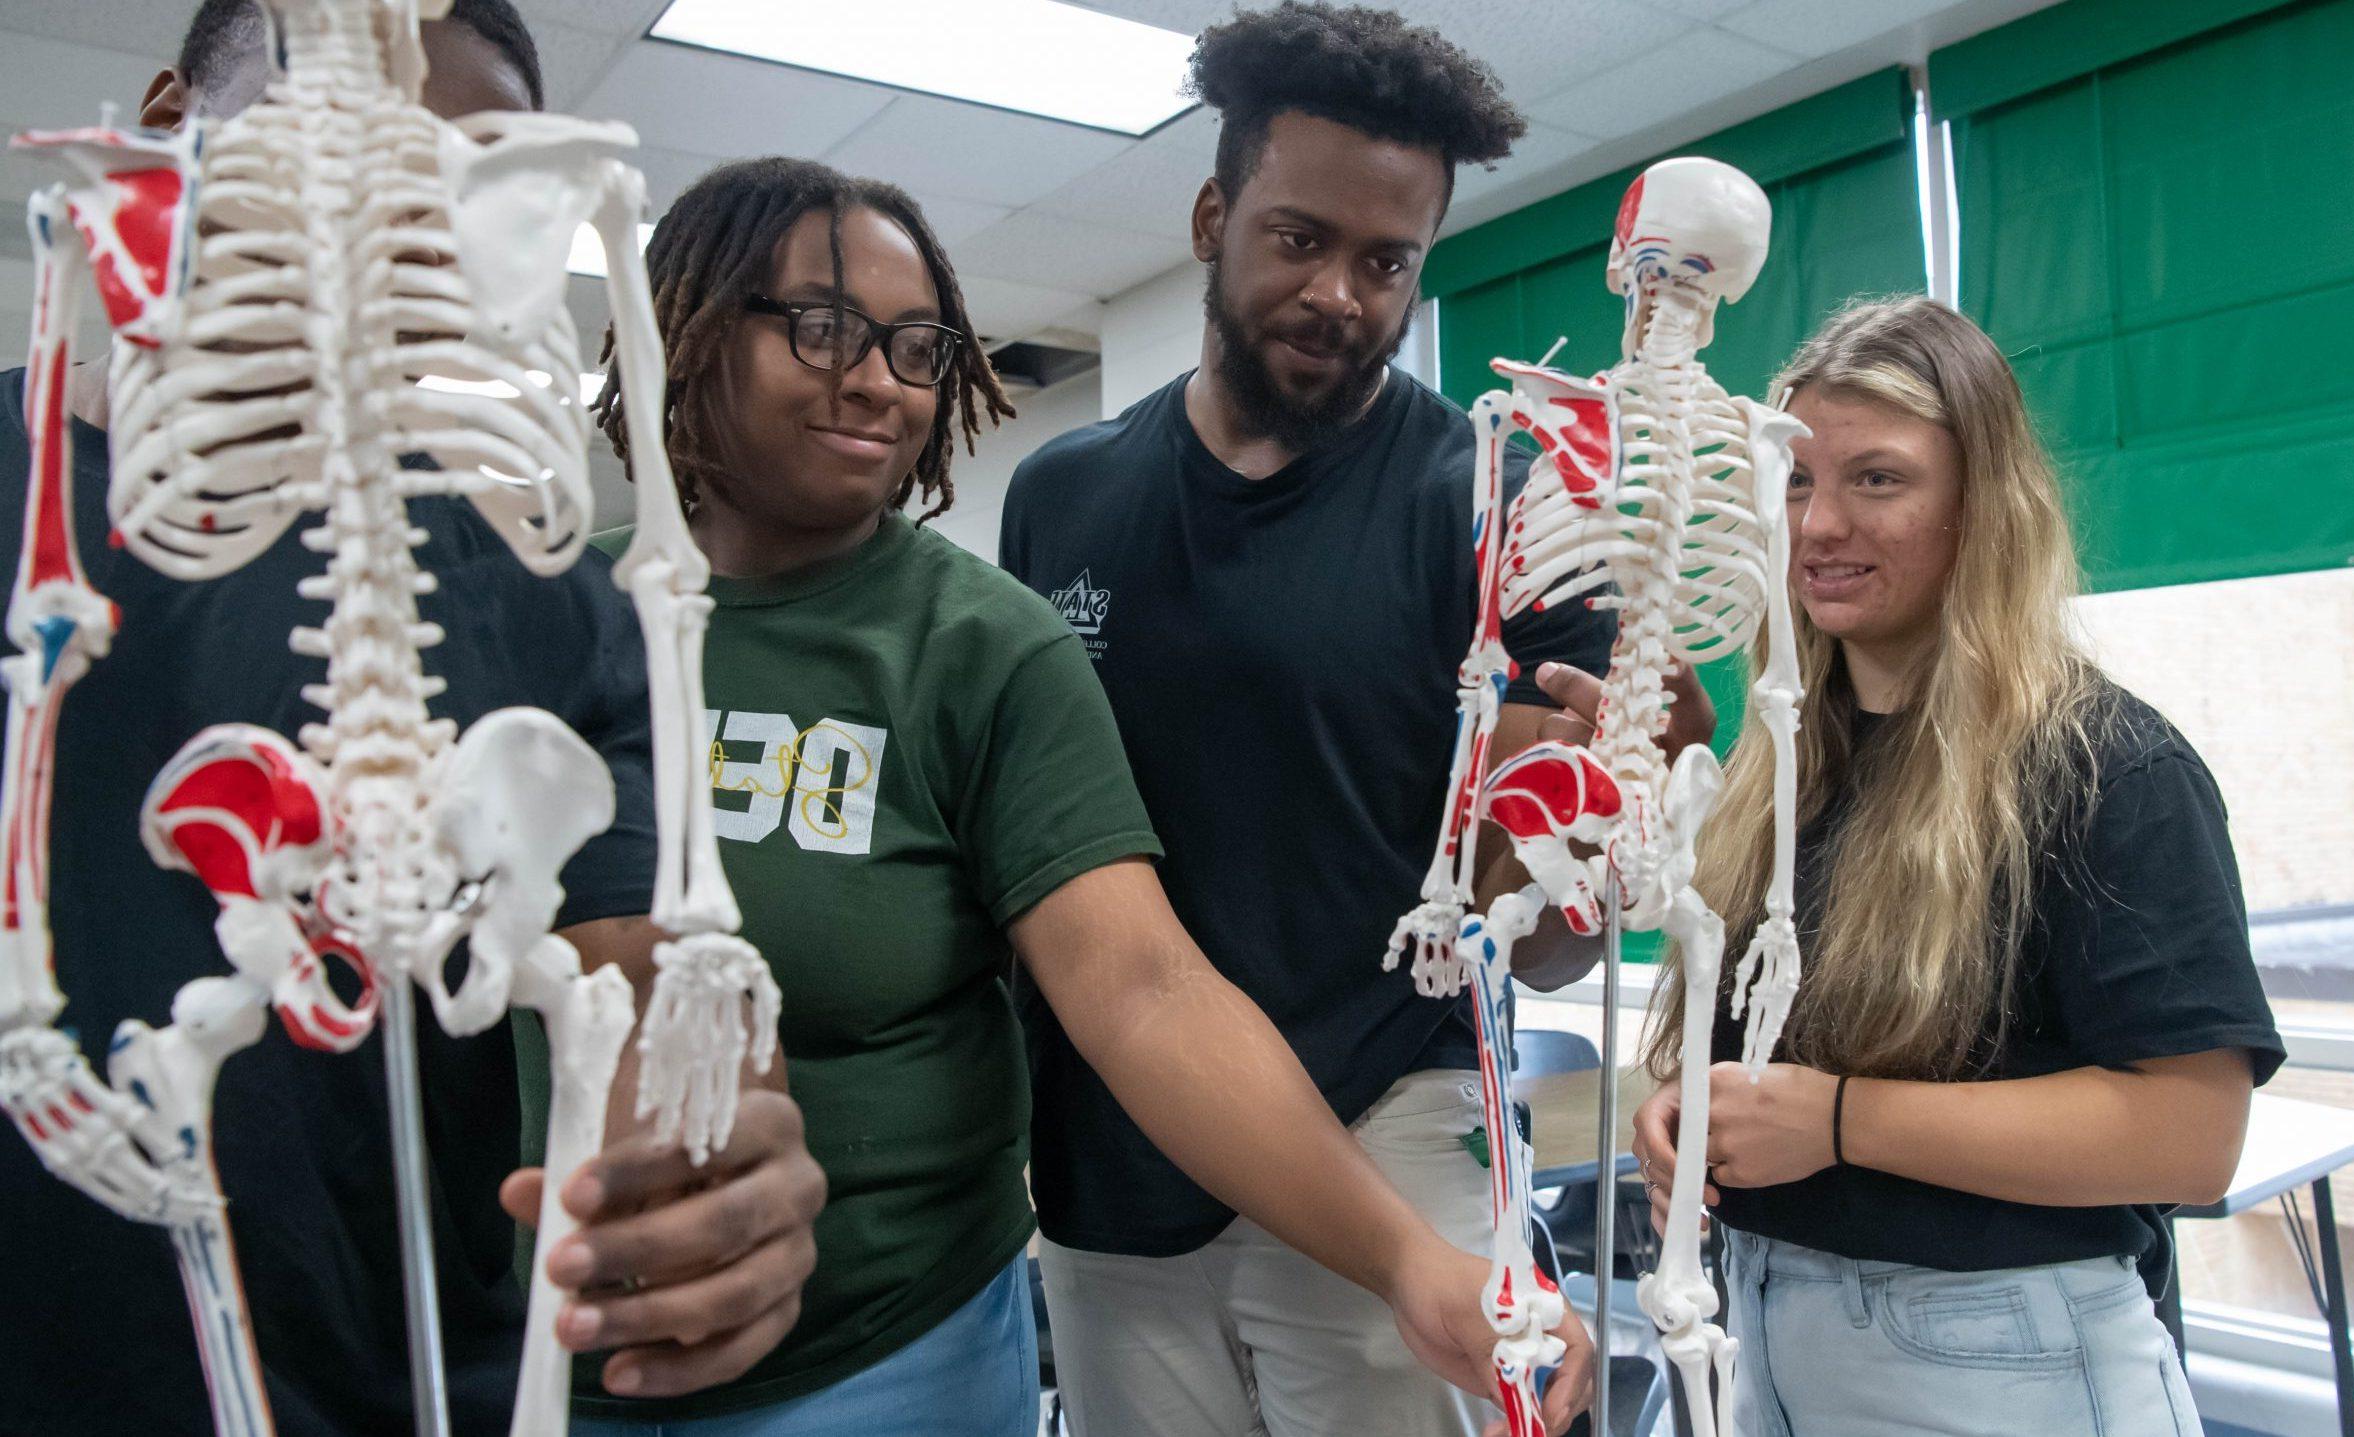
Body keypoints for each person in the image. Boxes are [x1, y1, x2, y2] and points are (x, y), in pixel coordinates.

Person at [543, 153, 1592, 1437]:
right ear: (686, 334)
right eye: (820, 329)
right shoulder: (534, 623)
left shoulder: (981, 645)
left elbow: (1141, 985)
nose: (876, 379)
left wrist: (1408, 1258)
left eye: (919, 346)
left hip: (898, 1342)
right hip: (555, 1344)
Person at [0, 4, 826, 1435]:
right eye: (323, 176)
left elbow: (628, 962)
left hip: (416, 1381)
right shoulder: (31, 522)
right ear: (165, 135)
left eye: (441, 194)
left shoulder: (556, 596)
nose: (371, 248)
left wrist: (700, 1149)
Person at [998, 5, 1708, 1434]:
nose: (1340, 292)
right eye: (1300, 238)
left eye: (1387, 261)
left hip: (1394, 1130)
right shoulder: (1061, 497)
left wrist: (1601, 838)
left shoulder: (1506, 505)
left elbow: (1563, 948)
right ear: (1214, 215)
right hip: (1116, 1162)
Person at [1629, 296, 2285, 1436]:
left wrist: (1838, 1124)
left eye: (1876, 480)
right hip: (1751, 1321)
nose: (1818, 525)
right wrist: (1697, 1115)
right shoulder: (1778, 765)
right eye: (1792, 481)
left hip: (1992, 1354)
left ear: (1981, 505)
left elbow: (2191, 1140)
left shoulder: (2107, 768)